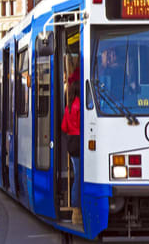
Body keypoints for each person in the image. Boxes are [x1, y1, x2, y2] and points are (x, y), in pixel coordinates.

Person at [61, 81, 81, 222]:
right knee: (80, 176)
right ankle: (77, 207)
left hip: (71, 142)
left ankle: (75, 206)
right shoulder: (80, 105)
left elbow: (63, 127)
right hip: (80, 141)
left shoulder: (69, 106)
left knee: (77, 174)